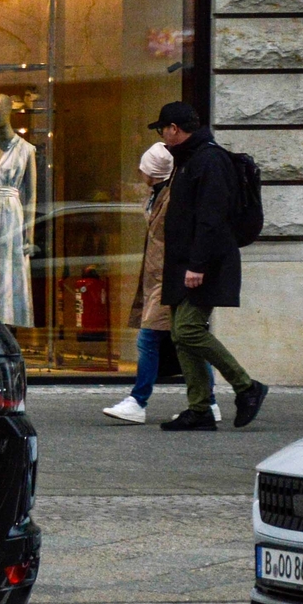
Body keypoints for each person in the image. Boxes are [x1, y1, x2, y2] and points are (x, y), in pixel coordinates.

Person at [150, 101, 267, 432]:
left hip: (205, 262)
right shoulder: (189, 159)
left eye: (163, 129)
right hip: (185, 262)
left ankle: (247, 386)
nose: (162, 136)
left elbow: (211, 218)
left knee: (188, 329)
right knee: (180, 334)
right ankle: (199, 408)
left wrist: (197, 265)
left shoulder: (209, 160)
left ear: (175, 129)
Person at [103, 142, 218, 424]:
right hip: (158, 278)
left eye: (143, 169)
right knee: (186, 342)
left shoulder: (171, 198)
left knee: (152, 338)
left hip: (169, 279)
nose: (139, 174)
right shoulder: (157, 195)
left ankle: (138, 401)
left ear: (151, 172)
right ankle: (210, 402)